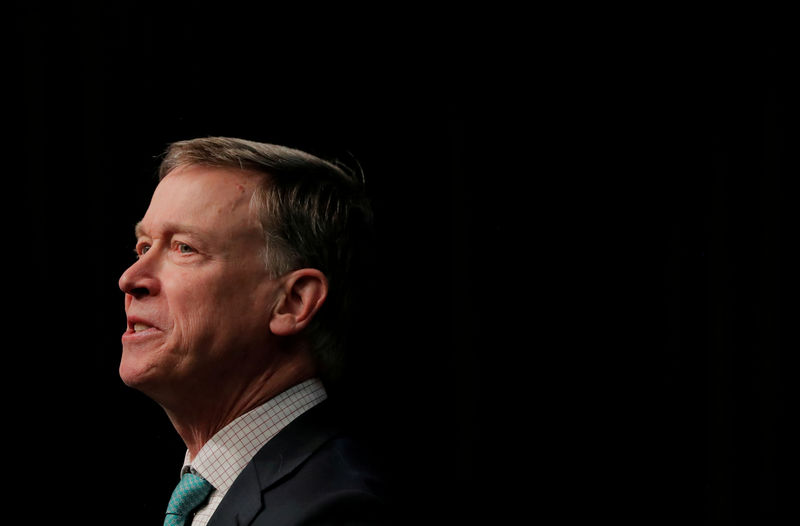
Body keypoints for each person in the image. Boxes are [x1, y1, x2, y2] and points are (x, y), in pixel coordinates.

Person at [118, 137, 385, 525]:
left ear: (292, 302)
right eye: (143, 248)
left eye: (183, 248)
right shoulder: (218, 492)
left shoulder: (334, 511)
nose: (131, 279)